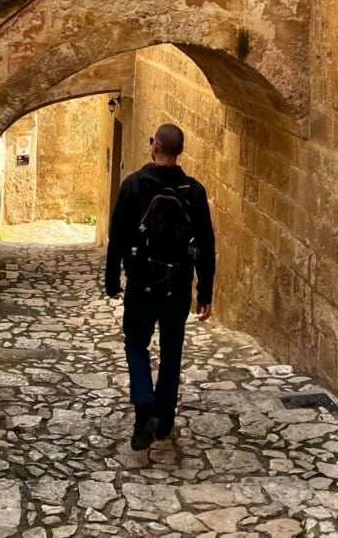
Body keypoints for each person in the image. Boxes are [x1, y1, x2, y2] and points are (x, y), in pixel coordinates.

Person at [105, 123, 215, 450]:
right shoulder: (193, 192)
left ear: (154, 146)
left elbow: (118, 237)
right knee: (171, 351)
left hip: (142, 285)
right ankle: (164, 420)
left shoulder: (134, 186)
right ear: (180, 151)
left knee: (136, 344)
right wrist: (204, 292)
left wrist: (112, 280)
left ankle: (144, 411)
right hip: (177, 287)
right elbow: (206, 245)